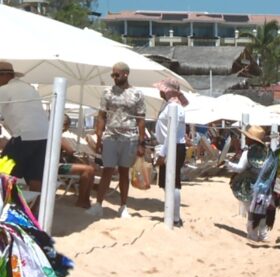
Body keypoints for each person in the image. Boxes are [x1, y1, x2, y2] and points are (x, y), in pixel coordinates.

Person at [89, 62, 147, 218]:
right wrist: (99, 137)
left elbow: (141, 119)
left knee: (124, 171)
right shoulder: (107, 92)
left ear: (125, 74)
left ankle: (123, 206)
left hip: (130, 137)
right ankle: (99, 204)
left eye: (116, 75)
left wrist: (142, 143)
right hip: (111, 136)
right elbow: (101, 115)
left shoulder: (137, 94)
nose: (114, 77)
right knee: (107, 170)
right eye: (112, 75)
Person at [0, 61, 49, 192]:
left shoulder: (3, 90)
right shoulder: (28, 87)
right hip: (44, 136)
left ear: (3, 76)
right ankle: (34, 210)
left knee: (4, 172)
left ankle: (6, 206)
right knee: (35, 175)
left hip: (24, 135)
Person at [153, 78, 188, 227]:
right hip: (171, 145)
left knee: (173, 183)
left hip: (172, 146)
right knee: (169, 182)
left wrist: (162, 153)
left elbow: (171, 134)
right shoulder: (172, 106)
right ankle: (173, 215)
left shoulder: (174, 107)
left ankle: (174, 217)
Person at [59, 115, 96, 209]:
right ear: (64, 125)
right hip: (56, 167)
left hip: (51, 165)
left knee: (90, 170)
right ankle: (81, 200)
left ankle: (85, 199)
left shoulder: (49, 133)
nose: (66, 129)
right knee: (88, 170)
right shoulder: (58, 136)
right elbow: (70, 151)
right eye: (67, 126)